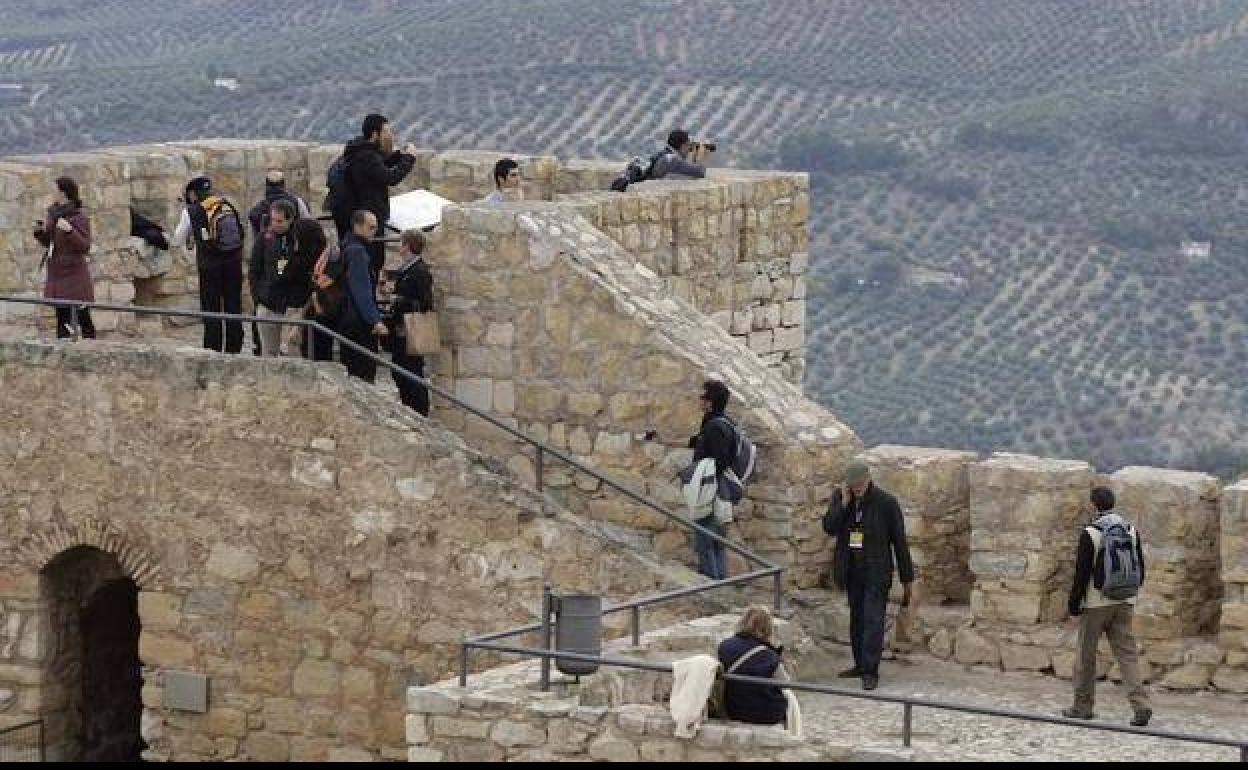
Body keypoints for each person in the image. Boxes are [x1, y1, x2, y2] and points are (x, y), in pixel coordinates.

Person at [821, 461, 914, 691]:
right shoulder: (842, 499)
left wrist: (906, 578)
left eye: (860, 485)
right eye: (853, 486)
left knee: (873, 620)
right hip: (852, 570)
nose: (857, 489)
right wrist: (843, 504)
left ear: (869, 478)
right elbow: (829, 527)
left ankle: (871, 671)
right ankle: (860, 664)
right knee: (857, 619)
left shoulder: (886, 503)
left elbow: (900, 542)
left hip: (877, 571)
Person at [1064, 487, 1152, 726]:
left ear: (1093, 505)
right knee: (1127, 655)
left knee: (1086, 657)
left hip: (1096, 604)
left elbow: (1081, 574)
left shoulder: (1091, 533)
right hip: (1124, 601)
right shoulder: (1130, 530)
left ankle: (1082, 707)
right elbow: (1140, 569)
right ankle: (1141, 705)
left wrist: (1073, 605)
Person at [341, 114, 418, 283]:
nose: (389, 135)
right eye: (386, 131)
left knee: (371, 261)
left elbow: (380, 166)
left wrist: (400, 156)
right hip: (369, 217)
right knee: (372, 261)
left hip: (366, 213)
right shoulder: (366, 156)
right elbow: (390, 177)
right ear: (375, 134)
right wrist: (409, 159)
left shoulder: (362, 150)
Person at [173, 176, 245, 354]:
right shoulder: (226, 205)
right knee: (233, 306)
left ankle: (213, 349)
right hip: (233, 264)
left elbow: (177, 239)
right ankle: (234, 349)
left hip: (209, 267)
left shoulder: (191, 211)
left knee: (211, 309)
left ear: (193, 193)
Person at [248, 199, 325, 357]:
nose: (275, 224)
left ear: (290, 219)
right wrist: (258, 297)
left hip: (292, 305)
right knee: (269, 353)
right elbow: (254, 269)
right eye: (272, 220)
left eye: (279, 221)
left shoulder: (301, 239)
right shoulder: (265, 238)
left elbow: (309, 269)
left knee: (292, 352)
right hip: (268, 303)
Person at [33, 176, 95, 339]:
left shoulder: (79, 217)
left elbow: (84, 246)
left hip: (74, 276)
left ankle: (91, 348)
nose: (52, 193)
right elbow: (51, 243)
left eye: (54, 190)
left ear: (63, 193)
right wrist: (40, 233)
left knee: (82, 318)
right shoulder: (53, 215)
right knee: (62, 319)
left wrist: (70, 231)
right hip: (57, 274)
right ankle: (64, 348)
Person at [687, 380, 736, 580]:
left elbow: (720, 460)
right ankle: (720, 586)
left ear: (710, 402)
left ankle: (712, 588)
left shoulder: (715, 427)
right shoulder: (721, 422)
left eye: (703, 396)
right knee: (716, 544)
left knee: (706, 543)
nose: (699, 400)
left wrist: (701, 479)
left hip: (710, 491)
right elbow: (699, 444)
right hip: (717, 490)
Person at [386, 229, 434, 416]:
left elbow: (424, 304)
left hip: (410, 331)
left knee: (411, 372)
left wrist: (399, 300)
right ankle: (410, 410)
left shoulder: (419, 271)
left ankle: (419, 413)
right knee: (400, 371)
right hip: (401, 330)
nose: (399, 247)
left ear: (407, 246)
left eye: (401, 243)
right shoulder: (407, 269)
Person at [338, 210, 389, 382]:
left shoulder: (346, 245)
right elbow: (361, 289)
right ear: (357, 226)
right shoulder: (357, 251)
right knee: (363, 373)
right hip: (357, 321)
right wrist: (375, 320)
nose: (375, 231)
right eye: (371, 227)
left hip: (347, 317)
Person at [717, 606, 788, 726]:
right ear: (767, 628)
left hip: (732, 709)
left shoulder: (724, 646)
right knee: (789, 698)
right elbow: (785, 682)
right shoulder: (769, 654)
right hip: (764, 714)